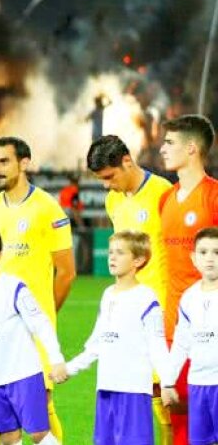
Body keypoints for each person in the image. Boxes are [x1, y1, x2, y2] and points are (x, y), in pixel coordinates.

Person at [0, 136, 74, 442]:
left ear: (24, 163)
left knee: (40, 406)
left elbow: (67, 272)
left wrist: (43, 315)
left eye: (3, 161)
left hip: (31, 329)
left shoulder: (47, 208)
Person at [88, 133, 174, 439]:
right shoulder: (113, 200)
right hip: (125, 314)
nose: (106, 186)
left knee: (166, 397)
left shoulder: (163, 193)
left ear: (127, 161)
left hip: (161, 312)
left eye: (109, 177)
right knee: (131, 396)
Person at [64, 231, 174, 445]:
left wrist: (168, 382)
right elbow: (97, 343)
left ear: (138, 260)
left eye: (120, 253)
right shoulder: (107, 295)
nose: (112, 257)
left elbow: (157, 346)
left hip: (133, 392)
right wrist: (69, 368)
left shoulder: (146, 298)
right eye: (111, 252)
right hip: (105, 389)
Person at [0, 227, 65, 445]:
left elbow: (41, 324)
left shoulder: (14, 287)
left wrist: (56, 360)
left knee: (38, 434)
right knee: (8, 438)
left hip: (24, 374)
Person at [157, 113, 218, 445]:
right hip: (173, 328)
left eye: (169, 143)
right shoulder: (166, 199)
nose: (162, 149)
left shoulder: (213, 196)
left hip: (211, 330)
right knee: (178, 414)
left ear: (192, 148)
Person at [164, 227, 218, 445]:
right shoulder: (189, 298)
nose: (210, 259)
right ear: (193, 258)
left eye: (217, 252)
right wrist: (168, 382)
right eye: (203, 252)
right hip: (197, 385)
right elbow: (181, 344)